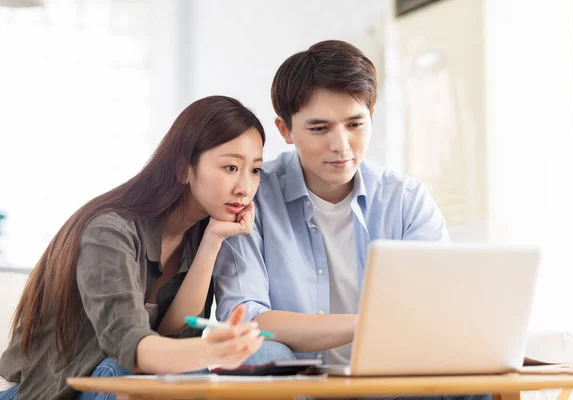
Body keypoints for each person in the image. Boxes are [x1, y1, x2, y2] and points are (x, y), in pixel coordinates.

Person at [213, 41, 489, 400]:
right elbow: (245, 319)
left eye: (355, 123)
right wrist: (364, 324)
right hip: (298, 383)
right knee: (260, 352)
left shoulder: (405, 200)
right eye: (319, 128)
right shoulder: (252, 196)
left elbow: (434, 313)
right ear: (285, 130)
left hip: (388, 383)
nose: (341, 145)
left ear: (372, 114)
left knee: (469, 370)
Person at [0, 96, 266, 400]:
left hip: (113, 383)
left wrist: (212, 242)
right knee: (138, 375)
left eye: (255, 170)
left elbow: (173, 339)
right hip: (43, 392)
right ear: (183, 168)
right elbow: (129, 345)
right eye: (231, 167)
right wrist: (211, 351)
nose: (245, 188)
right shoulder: (110, 231)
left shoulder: (202, 232)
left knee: (181, 376)